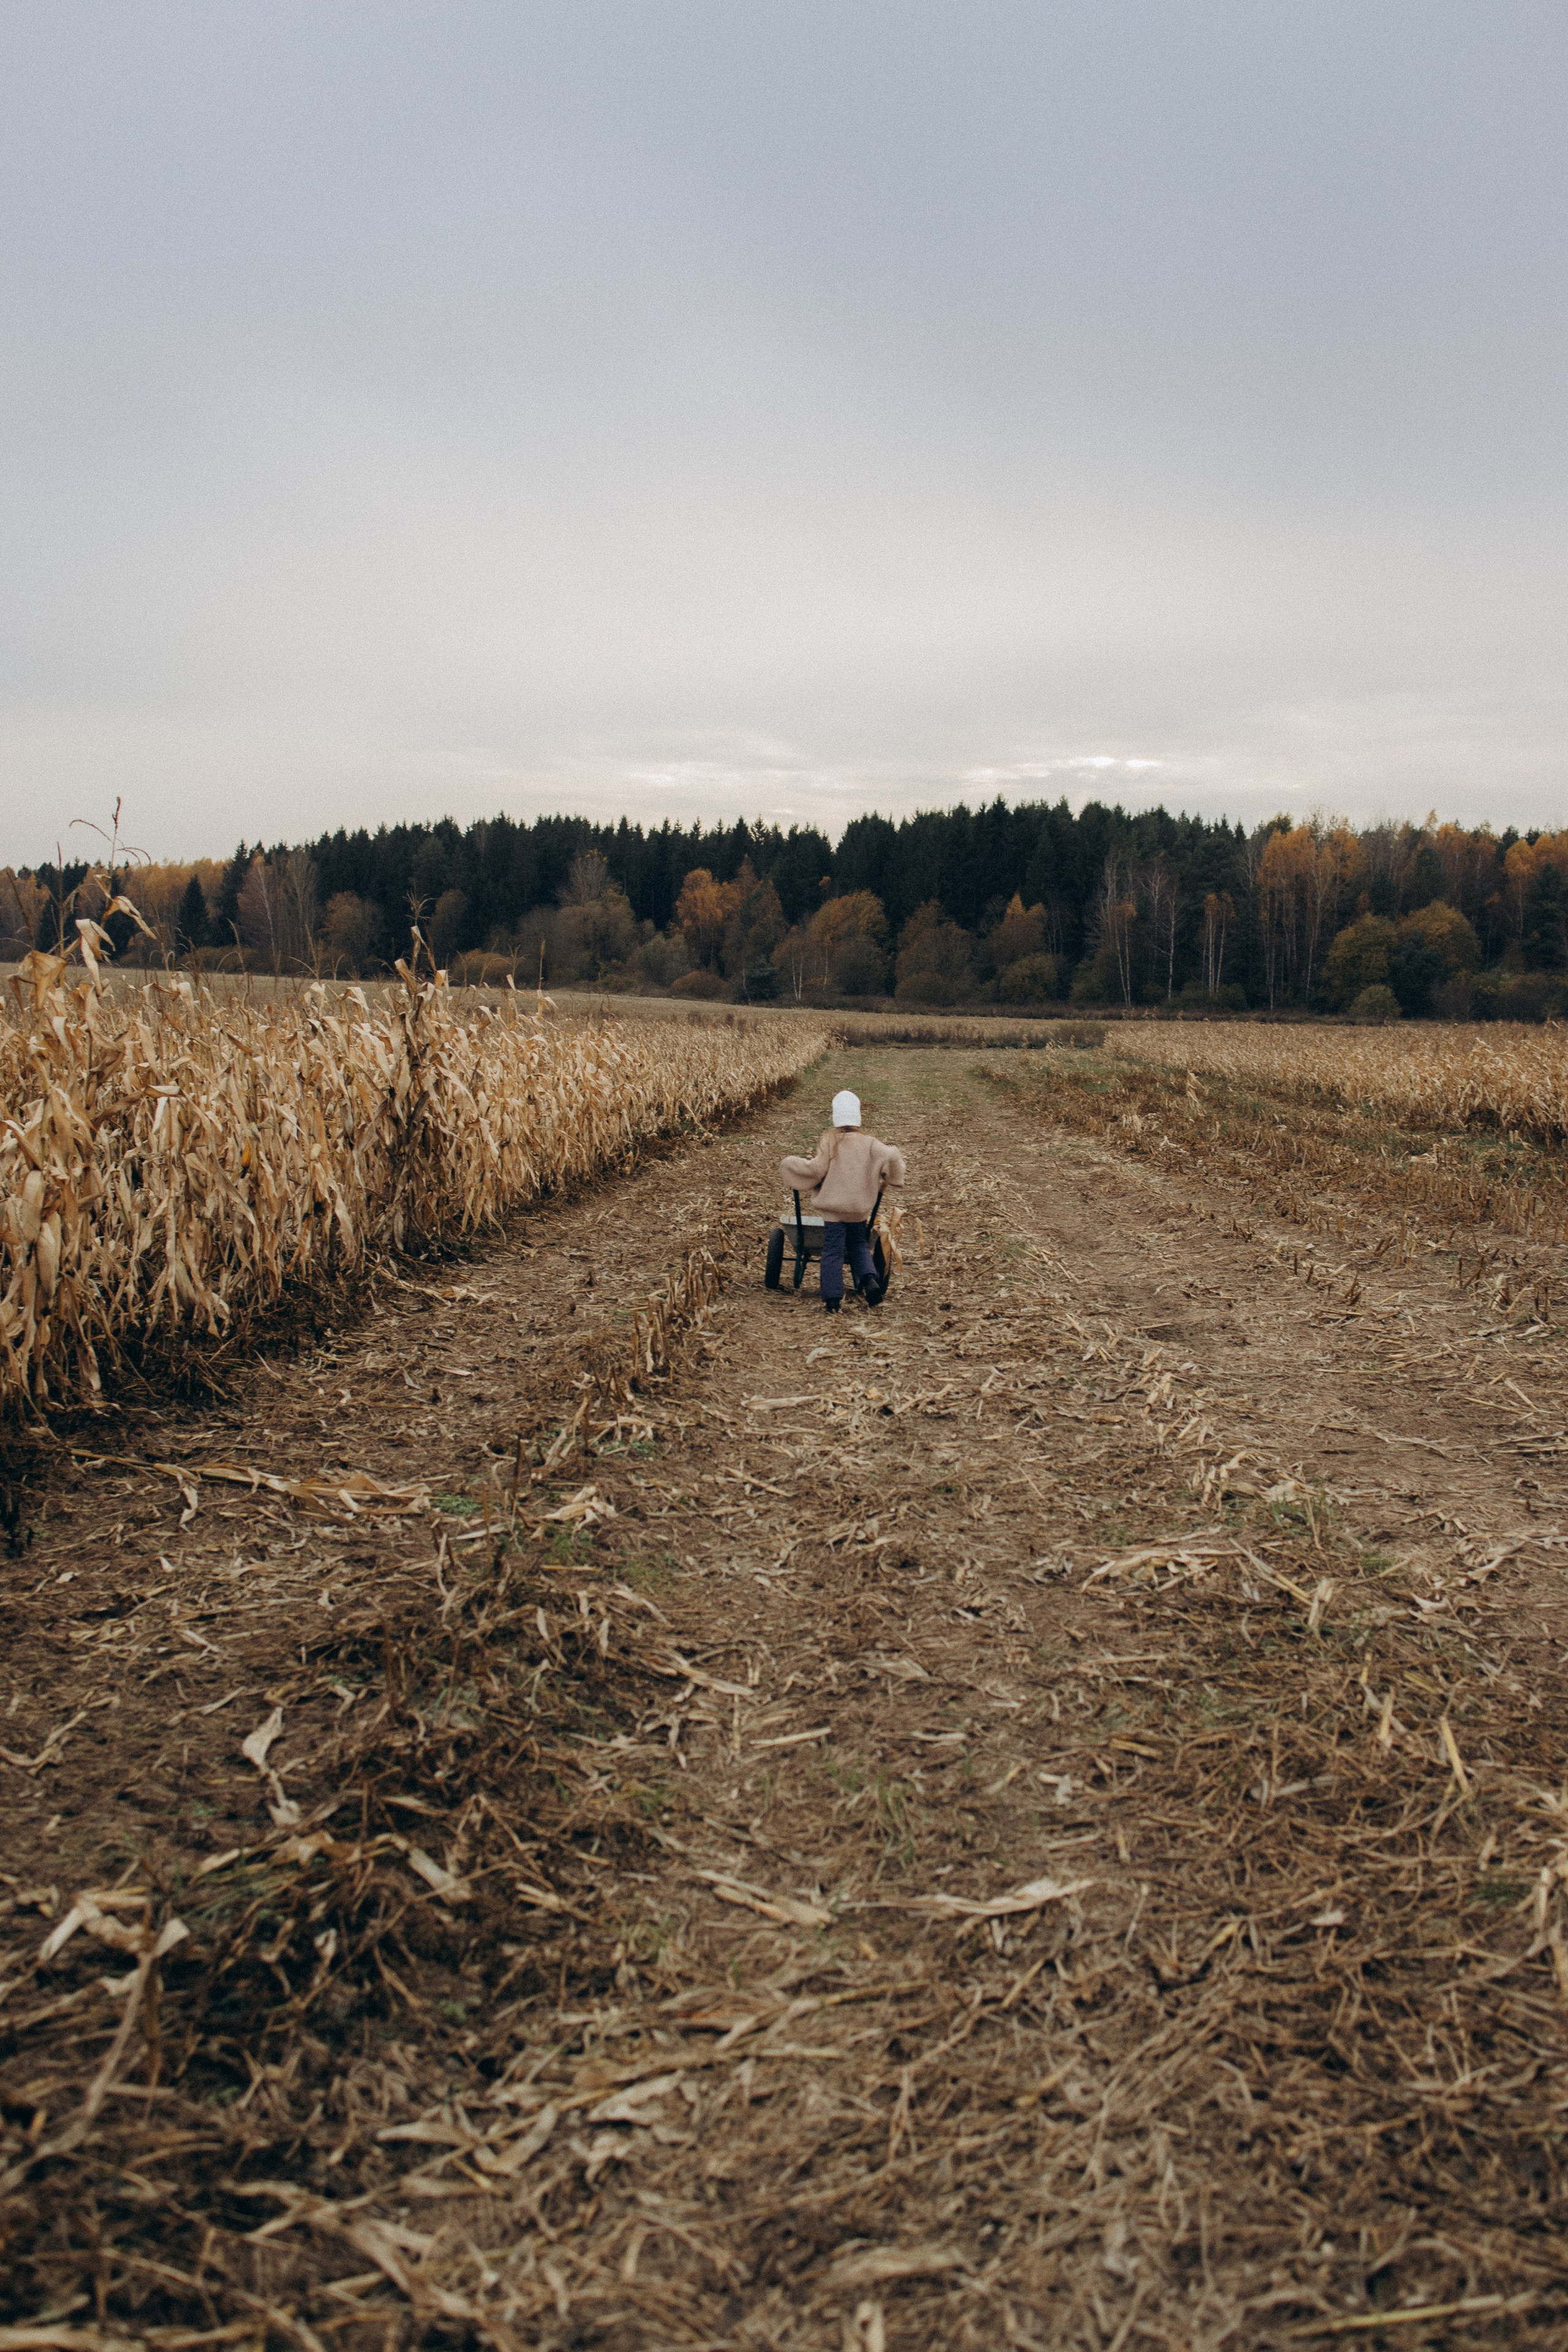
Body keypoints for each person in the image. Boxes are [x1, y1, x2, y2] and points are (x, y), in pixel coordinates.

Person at [779, 1090, 907, 1314]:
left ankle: (833, 1299)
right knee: (859, 1246)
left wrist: (791, 1164)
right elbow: (893, 1155)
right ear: (857, 1117)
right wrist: (893, 1178)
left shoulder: (830, 1141)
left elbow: (816, 1170)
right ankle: (870, 1281)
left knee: (833, 1251)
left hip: (833, 1211)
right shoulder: (871, 1144)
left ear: (836, 1117)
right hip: (859, 1210)